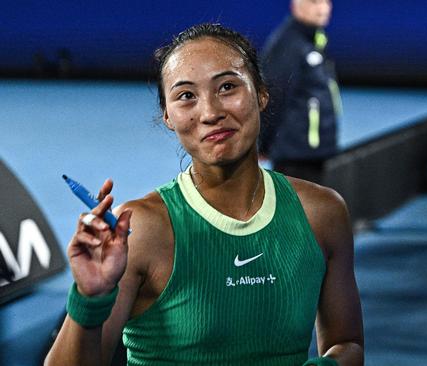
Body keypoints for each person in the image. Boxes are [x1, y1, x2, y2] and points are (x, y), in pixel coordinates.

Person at [44, 23, 363, 366]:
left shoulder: (323, 212)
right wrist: (90, 299)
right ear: (167, 115)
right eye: (186, 96)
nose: (210, 113)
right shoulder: (140, 231)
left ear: (261, 93)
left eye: (227, 87)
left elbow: (347, 344)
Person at [260, 0, 341, 185]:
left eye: (326, 2)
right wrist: (263, 143)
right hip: (295, 155)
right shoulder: (287, 44)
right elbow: (272, 96)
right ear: (296, 5)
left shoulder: (314, 39)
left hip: (313, 151)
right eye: (314, 2)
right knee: (296, 211)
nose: (323, 8)